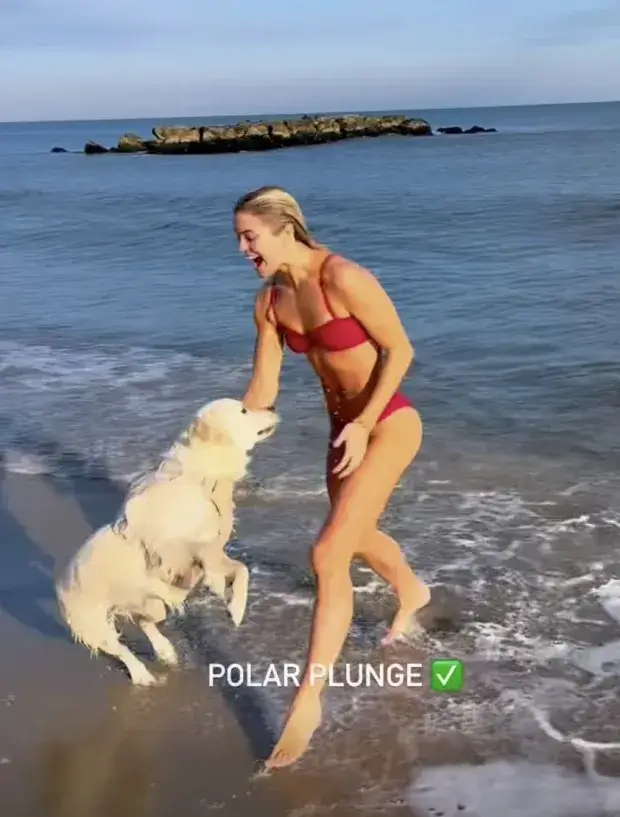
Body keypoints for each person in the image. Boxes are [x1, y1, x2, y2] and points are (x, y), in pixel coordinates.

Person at [234, 186, 430, 769]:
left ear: (283, 228)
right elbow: (263, 390)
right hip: (341, 434)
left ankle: (308, 699)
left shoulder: (343, 277)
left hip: (387, 423)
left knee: (327, 552)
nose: (244, 249)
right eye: (239, 240)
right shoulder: (269, 304)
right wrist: (219, 444)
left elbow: (400, 351)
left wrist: (366, 422)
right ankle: (412, 591)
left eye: (250, 236)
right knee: (356, 535)